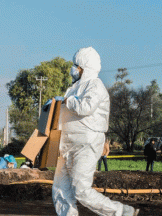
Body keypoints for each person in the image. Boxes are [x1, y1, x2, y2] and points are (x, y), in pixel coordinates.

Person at [52, 47, 139, 216]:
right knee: (60, 187)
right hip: (67, 144)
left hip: (86, 144)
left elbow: (86, 107)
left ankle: (120, 211)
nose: (73, 68)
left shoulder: (95, 85)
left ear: (84, 68)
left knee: (81, 189)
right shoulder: (74, 88)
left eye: (76, 65)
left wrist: (66, 101)